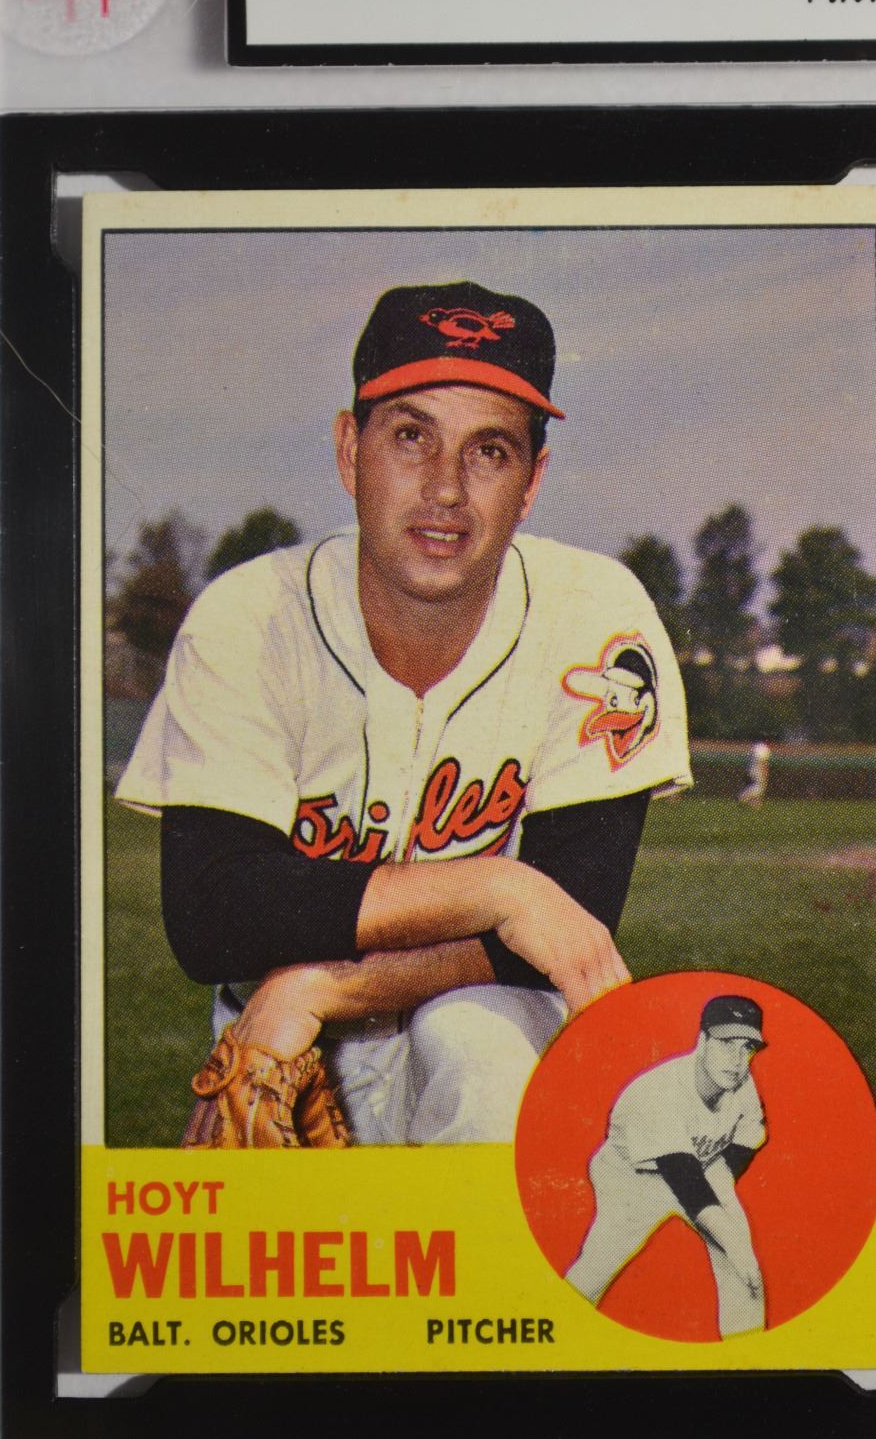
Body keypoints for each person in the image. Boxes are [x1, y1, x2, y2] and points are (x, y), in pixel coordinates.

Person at [116, 280, 691, 1145]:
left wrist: (319, 985)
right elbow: (213, 915)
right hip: (283, 1054)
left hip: (464, 1021)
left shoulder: (593, 615)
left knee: (481, 1056)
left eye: (489, 450)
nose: (445, 488)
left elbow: (576, 918)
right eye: (411, 436)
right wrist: (501, 886)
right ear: (351, 451)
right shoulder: (250, 618)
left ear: (531, 482)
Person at [565, 994, 767, 1337]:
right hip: (632, 1179)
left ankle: (748, 1355)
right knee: (598, 1266)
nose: (736, 1059)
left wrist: (720, 1185)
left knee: (743, 1274)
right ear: (702, 1041)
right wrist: (734, 1241)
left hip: (702, 1170)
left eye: (746, 1047)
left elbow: (747, 1137)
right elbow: (683, 1178)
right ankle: (557, 1331)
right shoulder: (658, 1094)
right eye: (726, 1043)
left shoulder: (739, 1082)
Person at [739, 739, 771, 807]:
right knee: (759, 787)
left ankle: (754, 803)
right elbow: (763, 763)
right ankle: (743, 796)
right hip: (758, 770)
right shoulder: (764, 749)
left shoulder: (756, 747)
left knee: (753, 785)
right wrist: (765, 773)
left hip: (750, 769)